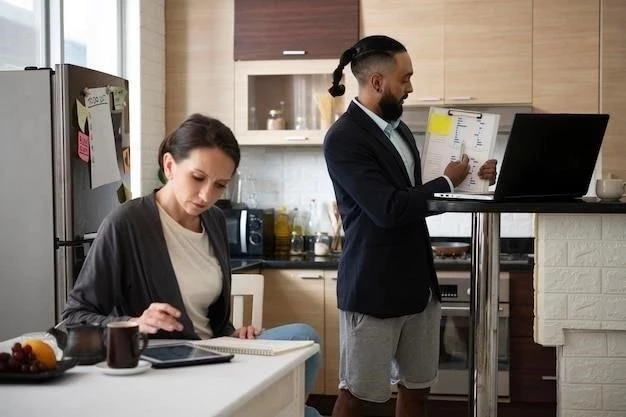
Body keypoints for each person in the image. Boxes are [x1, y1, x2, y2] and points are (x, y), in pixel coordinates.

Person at [62, 113, 322, 417]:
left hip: (216, 354)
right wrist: (134, 323)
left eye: (219, 185)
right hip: (167, 367)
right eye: (198, 178)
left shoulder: (212, 220)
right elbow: (74, 319)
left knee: (305, 337)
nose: (206, 196)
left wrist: (235, 333)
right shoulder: (127, 223)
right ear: (169, 165)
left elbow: (210, 319)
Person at [323, 35, 497, 417]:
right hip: (372, 291)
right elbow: (388, 209)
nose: (411, 87)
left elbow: (417, 202)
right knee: (360, 396)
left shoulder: (399, 130)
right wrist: (448, 181)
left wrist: (474, 179)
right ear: (378, 83)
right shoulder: (343, 139)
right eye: (405, 78)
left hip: (418, 287)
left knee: (417, 390)